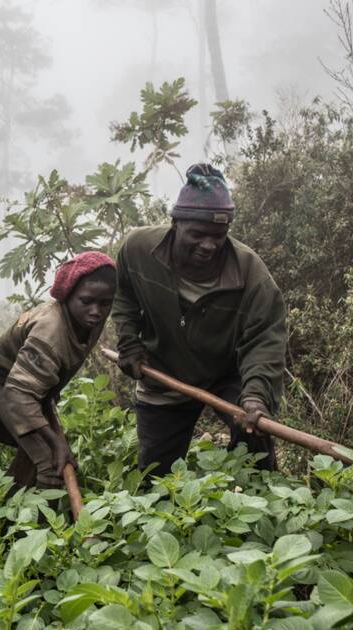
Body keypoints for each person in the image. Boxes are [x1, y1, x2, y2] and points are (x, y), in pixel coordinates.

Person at [113, 163, 286, 477]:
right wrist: (129, 342)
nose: (209, 245)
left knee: (256, 447)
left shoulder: (252, 276)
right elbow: (123, 293)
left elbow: (266, 340)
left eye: (218, 236)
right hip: (163, 369)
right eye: (197, 234)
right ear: (175, 223)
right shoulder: (137, 249)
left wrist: (257, 394)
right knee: (156, 475)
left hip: (226, 372)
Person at [0, 252, 116, 490]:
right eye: (87, 301)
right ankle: (37, 526)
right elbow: (18, 394)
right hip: (1, 385)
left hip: (33, 390)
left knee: (34, 453)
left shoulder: (88, 317)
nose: (96, 311)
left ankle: (5, 507)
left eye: (105, 304)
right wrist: (56, 442)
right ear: (67, 296)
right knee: (51, 462)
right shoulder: (50, 331)